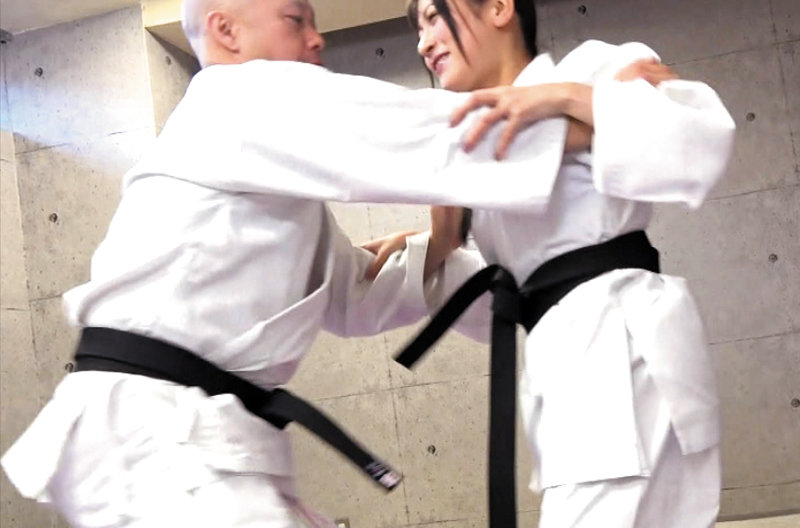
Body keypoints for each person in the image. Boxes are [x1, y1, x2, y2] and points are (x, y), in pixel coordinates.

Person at [0, 0, 603, 526]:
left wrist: (441, 245)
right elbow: (424, 132)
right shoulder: (239, 98)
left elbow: (349, 298)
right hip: (157, 434)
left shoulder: (256, 166)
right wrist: (596, 115)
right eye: (296, 19)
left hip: (171, 432)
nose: (317, 39)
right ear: (227, 31)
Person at [363, 1, 736, 527]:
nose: (423, 42)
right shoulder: (478, 157)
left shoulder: (592, 69)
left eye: (433, 15)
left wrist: (563, 97)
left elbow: (698, 143)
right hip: (579, 367)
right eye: (417, 29)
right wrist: (437, 243)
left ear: (499, 7)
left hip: (615, 352)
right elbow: (510, 294)